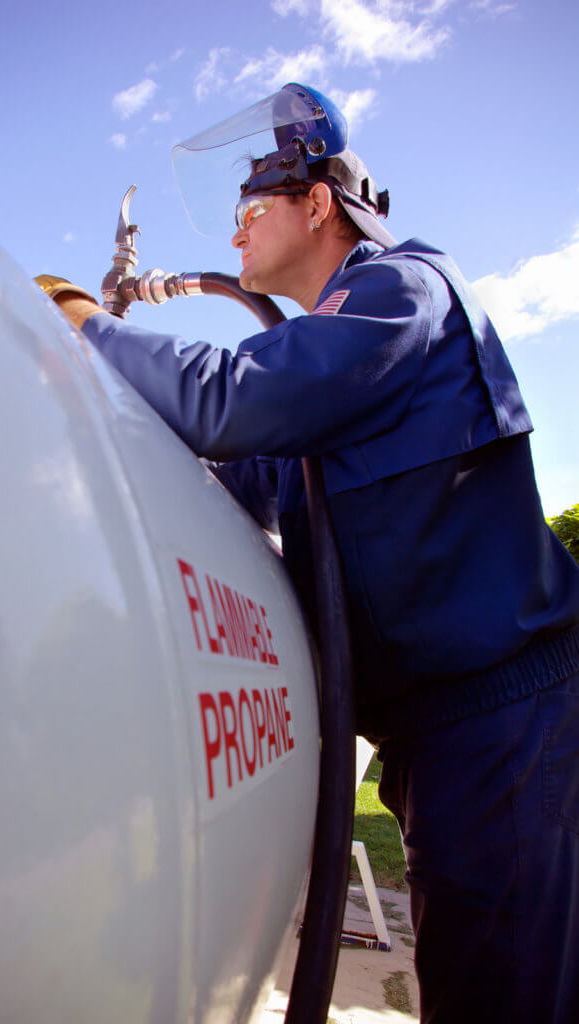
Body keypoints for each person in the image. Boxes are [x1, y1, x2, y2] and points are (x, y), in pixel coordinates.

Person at [37, 83, 579, 1023]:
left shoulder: (399, 291)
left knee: (504, 995)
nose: (235, 239)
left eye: (249, 210)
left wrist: (85, 322)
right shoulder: (333, 381)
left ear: (318, 203)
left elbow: (232, 402)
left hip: (508, 721)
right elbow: (237, 473)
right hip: (444, 738)